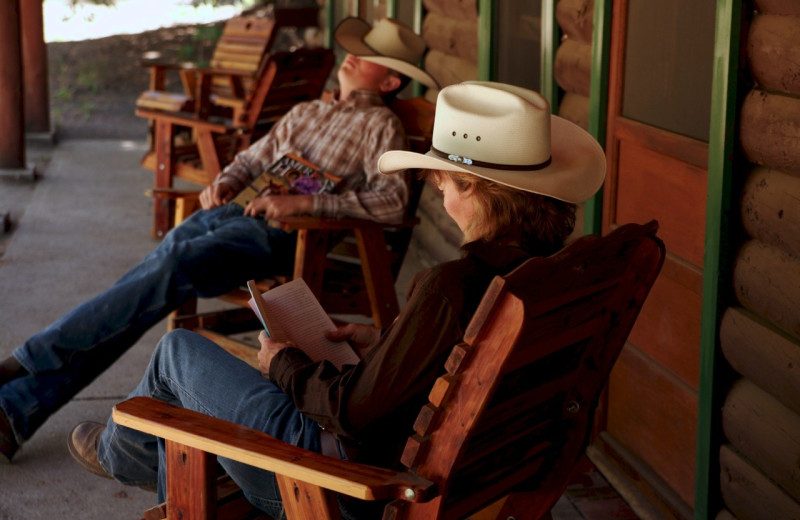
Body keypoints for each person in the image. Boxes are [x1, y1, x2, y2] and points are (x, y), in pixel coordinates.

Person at [67, 81, 606, 519]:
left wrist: (285, 364)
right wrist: (387, 343)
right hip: (479, 475)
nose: (438, 189)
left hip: (339, 482)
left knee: (178, 354)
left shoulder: (451, 286)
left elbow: (350, 413)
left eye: (442, 178)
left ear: (472, 188)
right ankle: (143, 456)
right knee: (194, 391)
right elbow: (456, 366)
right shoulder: (548, 277)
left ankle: (124, 457)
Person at [0, 16, 439, 464]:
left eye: (369, 57)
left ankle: (31, 361)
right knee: (149, 285)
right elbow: (251, 158)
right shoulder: (310, 110)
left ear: (389, 79)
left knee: (164, 271)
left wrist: (304, 207)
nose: (353, 54)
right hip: (231, 211)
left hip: (279, 234)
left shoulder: (380, 125)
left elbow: (392, 203)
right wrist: (226, 181)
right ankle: (14, 406)